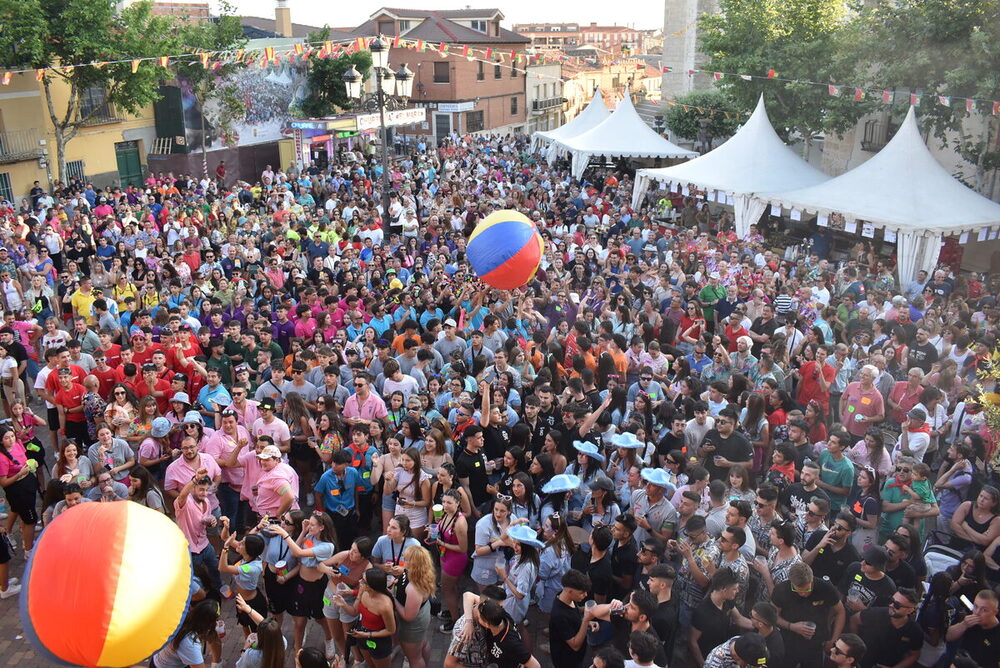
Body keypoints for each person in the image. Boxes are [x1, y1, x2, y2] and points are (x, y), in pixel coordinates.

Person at [772, 562, 846, 668]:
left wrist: (833, 640)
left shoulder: (825, 588)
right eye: (798, 590)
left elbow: (840, 612)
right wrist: (792, 626)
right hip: (788, 642)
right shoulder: (781, 590)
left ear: (812, 580)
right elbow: (773, 615)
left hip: (816, 644)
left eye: (807, 589)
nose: (803, 594)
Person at [849, 588, 922, 668]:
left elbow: (914, 655)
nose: (891, 605)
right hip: (863, 664)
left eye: (897, 605)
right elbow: (854, 619)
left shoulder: (914, 631)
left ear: (910, 610)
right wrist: (856, 646)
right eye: (891, 600)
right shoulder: (876, 614)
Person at [148, 599, 220, 668]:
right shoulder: (190, 644)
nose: (217, 623)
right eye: (215, 620)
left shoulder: (184, 617)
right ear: (208, 624)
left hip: (162, 659)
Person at [945, 589, 1000, 668]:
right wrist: (963, 624)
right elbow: (948, 637)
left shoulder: (997, 635)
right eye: (975, 606)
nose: (977, 612)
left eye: (984, 610)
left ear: (995, 612)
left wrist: (972, 666)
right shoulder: (970, 619)